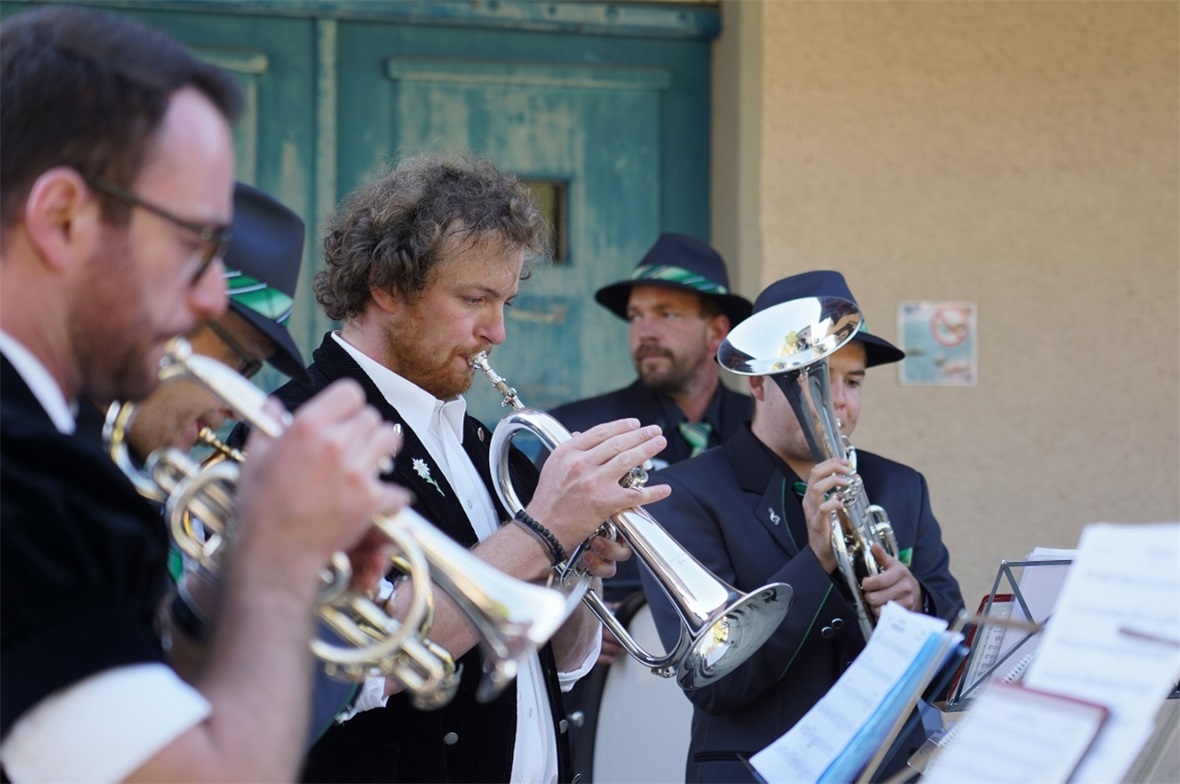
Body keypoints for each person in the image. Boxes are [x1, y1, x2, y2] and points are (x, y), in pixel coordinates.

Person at [0, 8, 406, 782]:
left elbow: (129, 717)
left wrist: (242, 568)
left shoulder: (48, 455)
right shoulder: (27, 481)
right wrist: (282, 567)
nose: (212, 295)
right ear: (61, 219)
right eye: (194, 244)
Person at [246, 151, 671, 783]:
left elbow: (565, 663)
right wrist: (542, 532)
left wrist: (572, 563)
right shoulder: (295, 431)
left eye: (506, 302)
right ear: (386, 285)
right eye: (474, 299)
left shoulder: (482, 442)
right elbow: (364, 659)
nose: (497, 331)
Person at [640, 270, 964, 783]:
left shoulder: (902, 487)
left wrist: (917, 603)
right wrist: (816, 563)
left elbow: (954, 649)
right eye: (815, 376)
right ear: (757, 382)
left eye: (853, 382)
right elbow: (714, 683)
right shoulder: (682, 496)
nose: (839, 401)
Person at [547, 232, 753, 606]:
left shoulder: (759, 429)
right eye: (635, 316)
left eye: (666, 314)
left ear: (717, 332)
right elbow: (542, 556)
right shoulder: (580, 430)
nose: (644, 332)